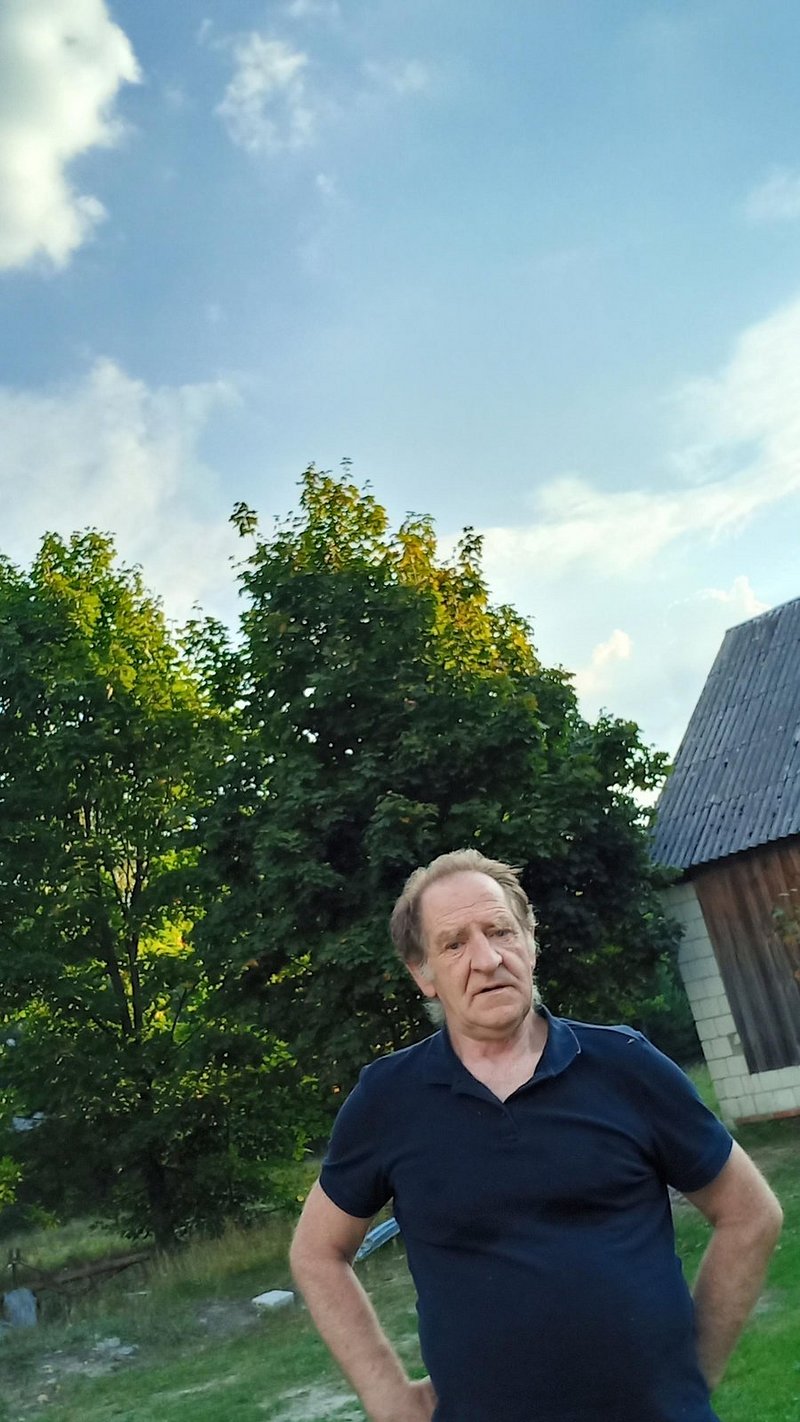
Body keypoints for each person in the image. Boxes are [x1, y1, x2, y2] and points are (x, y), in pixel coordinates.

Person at [290, 850, 783, 1422]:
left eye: (501, 931)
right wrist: (389, 1398)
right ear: (423, 973)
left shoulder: (627, 1065)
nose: (487, 958)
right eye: (454, 944)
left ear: (530, 941)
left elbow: (750, 1213)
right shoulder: (388, 1101)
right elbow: (317, 1252)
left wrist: (693, 1375)